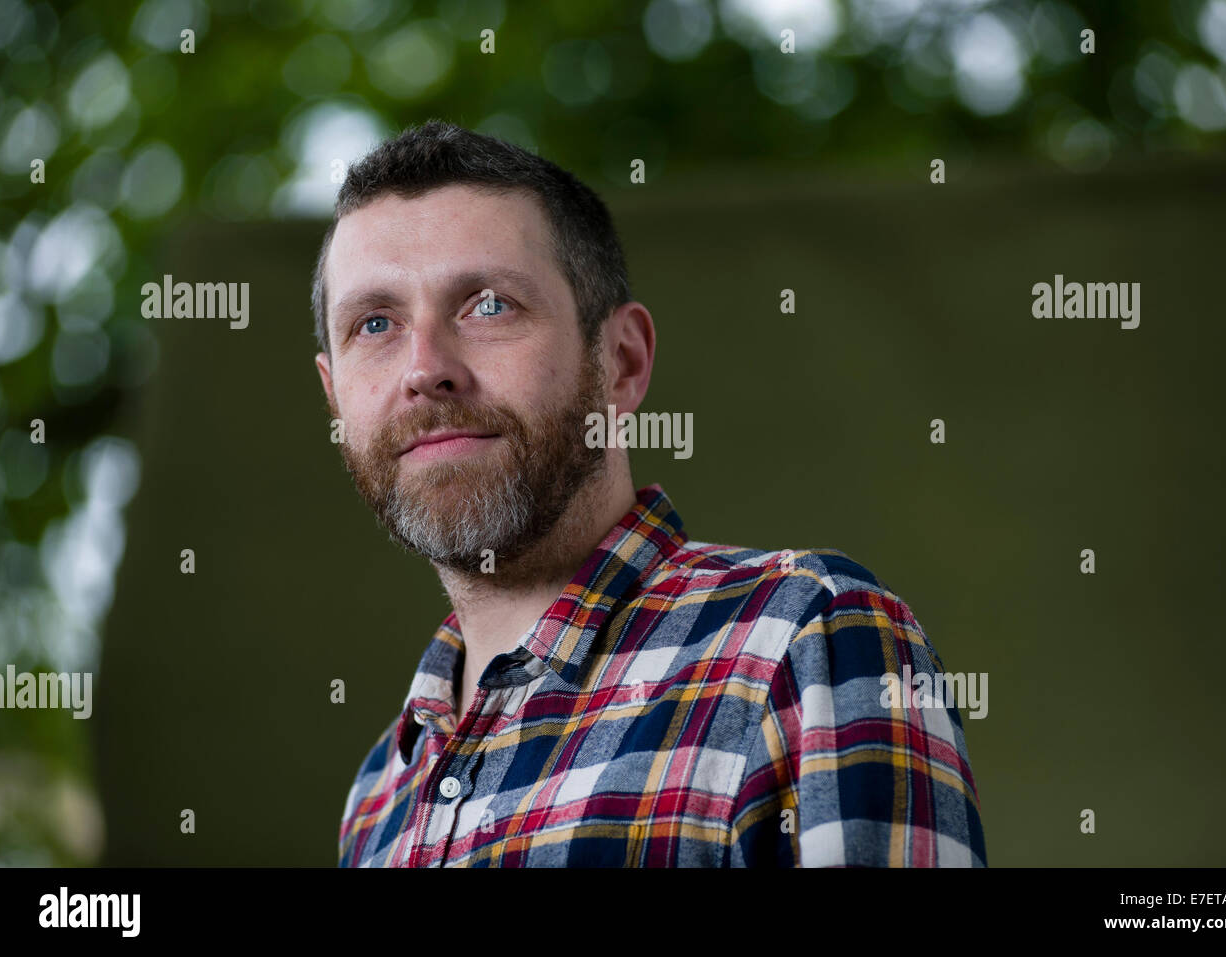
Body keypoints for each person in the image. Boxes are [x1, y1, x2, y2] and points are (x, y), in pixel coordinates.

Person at [312, 120, 986, 866]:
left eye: (489, 304)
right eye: (374, 323)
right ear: (336, 397)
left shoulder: (806, 642)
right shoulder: (378, 790)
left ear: (622, 363)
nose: (425, 367)